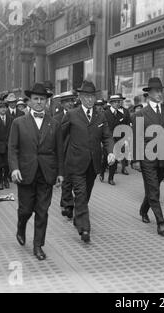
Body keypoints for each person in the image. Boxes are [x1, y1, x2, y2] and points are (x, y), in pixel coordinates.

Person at [9, 83, 64, 261]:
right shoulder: (19, 123)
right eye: (36, 99)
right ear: (29, 101)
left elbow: (59, 150)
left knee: (42, 211)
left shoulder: (54, 123)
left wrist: (60, 173)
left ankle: (38, 245)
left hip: (46, 173)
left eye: (42, 99)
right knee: (25, 210)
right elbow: (13, 148)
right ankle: (21, 225)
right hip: (25, 172)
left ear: (47, 102)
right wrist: (15, 168)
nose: (39, 102)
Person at [61, 80, 115, 243]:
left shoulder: (100, 115)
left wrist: (111, 152)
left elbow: (107, 136)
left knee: (86, 194)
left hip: (93, 164)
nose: (89, 100)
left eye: (92, 96)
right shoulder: (71, 114)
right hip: (76, 163)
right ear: (80, 97)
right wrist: (60, 160)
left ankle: (79, 218)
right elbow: (61, 137)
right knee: (81, 193)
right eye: (86, 96)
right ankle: (85, 228)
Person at [133, 77, 164, 235]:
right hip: (147, 157)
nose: (159, 94)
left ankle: (143, 209)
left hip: (163, 156)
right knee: (154, 189)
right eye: (156, 91)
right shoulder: (141, 114)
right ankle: (161, 223)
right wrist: (136, 160)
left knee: (155, 187)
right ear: (149, 94)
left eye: (161, 91)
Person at [53, 91, 77, 219]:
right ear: (62, 104)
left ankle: (66, 201)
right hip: (63, 154)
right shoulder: (56, 118)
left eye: (72, 101)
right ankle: (68, 205)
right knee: (66, 180)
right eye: (67, 101)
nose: (70, 103)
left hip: (77, 153)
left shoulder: (78, 115)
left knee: (74, 180)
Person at [100, 93, 131, 185]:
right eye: (116, 102)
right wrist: (101, 141)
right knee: (106, 158)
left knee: (115, 158)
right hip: (107, 140)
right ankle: (102, 173)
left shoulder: (121, 114)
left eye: (119, 102)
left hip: (118, 140)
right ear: (111, 103)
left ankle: (111, 178)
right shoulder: (105, 114)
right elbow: (102, 128)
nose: (118, 104)